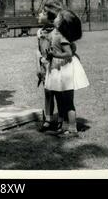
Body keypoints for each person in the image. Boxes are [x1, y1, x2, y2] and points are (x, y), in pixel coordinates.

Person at [44, 9, 89, 137]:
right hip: (60, 68)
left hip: (65, 68)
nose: (55, 18)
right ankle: (65, 127)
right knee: (64, 100)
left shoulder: (62, 37)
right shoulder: (56, 34)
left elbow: (69, 53)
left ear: (62, 23)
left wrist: (55, 54)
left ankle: (73, 128)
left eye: (58, 17)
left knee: (68, 101)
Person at [36, 0, 63, 132]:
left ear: (51, 17)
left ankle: (61, 119)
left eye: (43, 13)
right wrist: (38, 66)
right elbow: (38, 50)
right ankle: (48, 119)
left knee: (58, 93)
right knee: (47, 93)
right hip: (44, 66)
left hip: (56, 66)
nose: (40, 14)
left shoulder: (57, 33)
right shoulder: (40, 32)